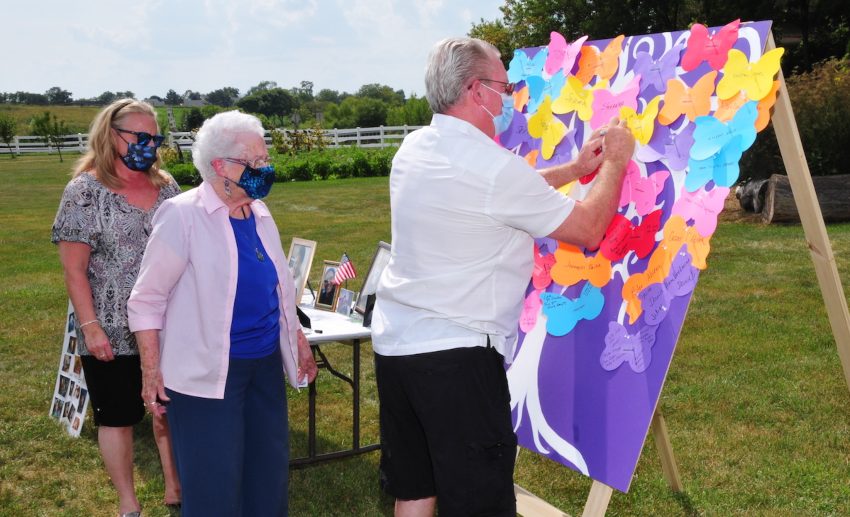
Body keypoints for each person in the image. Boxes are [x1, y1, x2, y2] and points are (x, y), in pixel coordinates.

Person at [370, 37, 636, 516]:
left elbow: (503, 191)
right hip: (456, 361)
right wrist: (615, 161)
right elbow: (589, 229)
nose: (510, 96)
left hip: (397, 349)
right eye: (504, 86)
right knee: (479, 503)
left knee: (415, 489)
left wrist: (575, 169)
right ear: (476, 91)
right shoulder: (492, 169)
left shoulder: (415, 147)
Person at [127, 111, 318, 517]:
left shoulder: (260, 212)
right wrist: (150, 371)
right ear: (221, 167)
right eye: (257, 162)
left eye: (267, 159)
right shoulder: (183, 214)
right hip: (204, 376)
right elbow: (146, 299)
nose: (267, 169)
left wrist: (297, 342)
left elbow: (279, 288)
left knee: (267, 481)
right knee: (214, 490)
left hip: (263, 366)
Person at [51, 98, 182, 517]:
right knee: (118, 416)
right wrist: (90, 327)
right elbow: (74, 270)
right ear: (111, 135)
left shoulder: (168, 187)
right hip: (109, 324)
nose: (148, 144)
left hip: (167, 322)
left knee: (168, 408)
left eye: (153, 137)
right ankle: (128, 502)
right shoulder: (84, 192)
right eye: (138, 137)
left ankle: (175, 487)